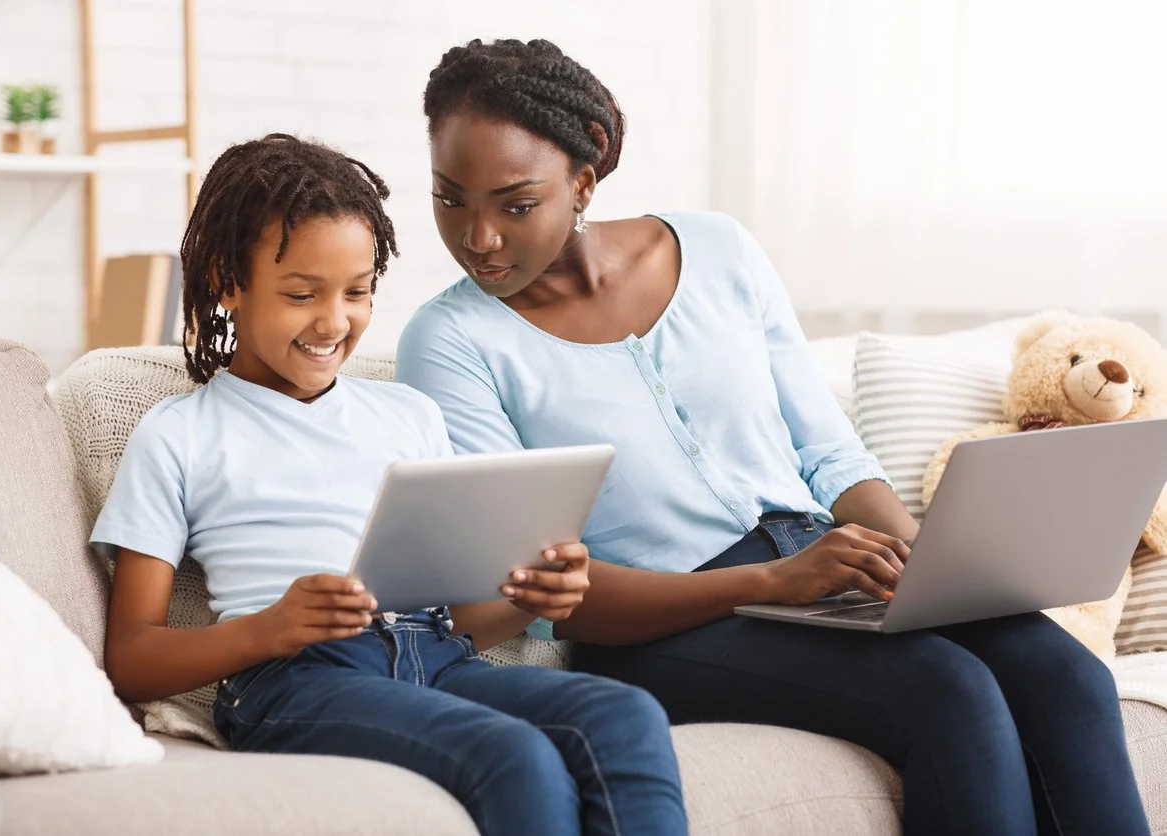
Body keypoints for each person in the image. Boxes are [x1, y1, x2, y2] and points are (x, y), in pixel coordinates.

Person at [396, 38, 1149, 835]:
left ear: (583, 181)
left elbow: (829, 452)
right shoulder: (451, 341)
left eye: (515, 205)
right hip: (666, 624)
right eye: (450, 199)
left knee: (1064, 672)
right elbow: (540, 592)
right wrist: (770, 583)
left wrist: (930, 569)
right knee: (948, 691)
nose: (478, 237)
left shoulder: (717, 249)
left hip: (821, 566)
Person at [92, 133, 687, 836]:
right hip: (297, 679)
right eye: (300, 294)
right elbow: (131, 657)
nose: (333, 321)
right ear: (228, 281)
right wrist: (271, 629)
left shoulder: (407, 414)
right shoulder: (179, 432)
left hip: (433, 657)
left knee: (625, 714)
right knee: (515, 755)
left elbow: (459, 621)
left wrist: (526, 595)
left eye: (357, 292)